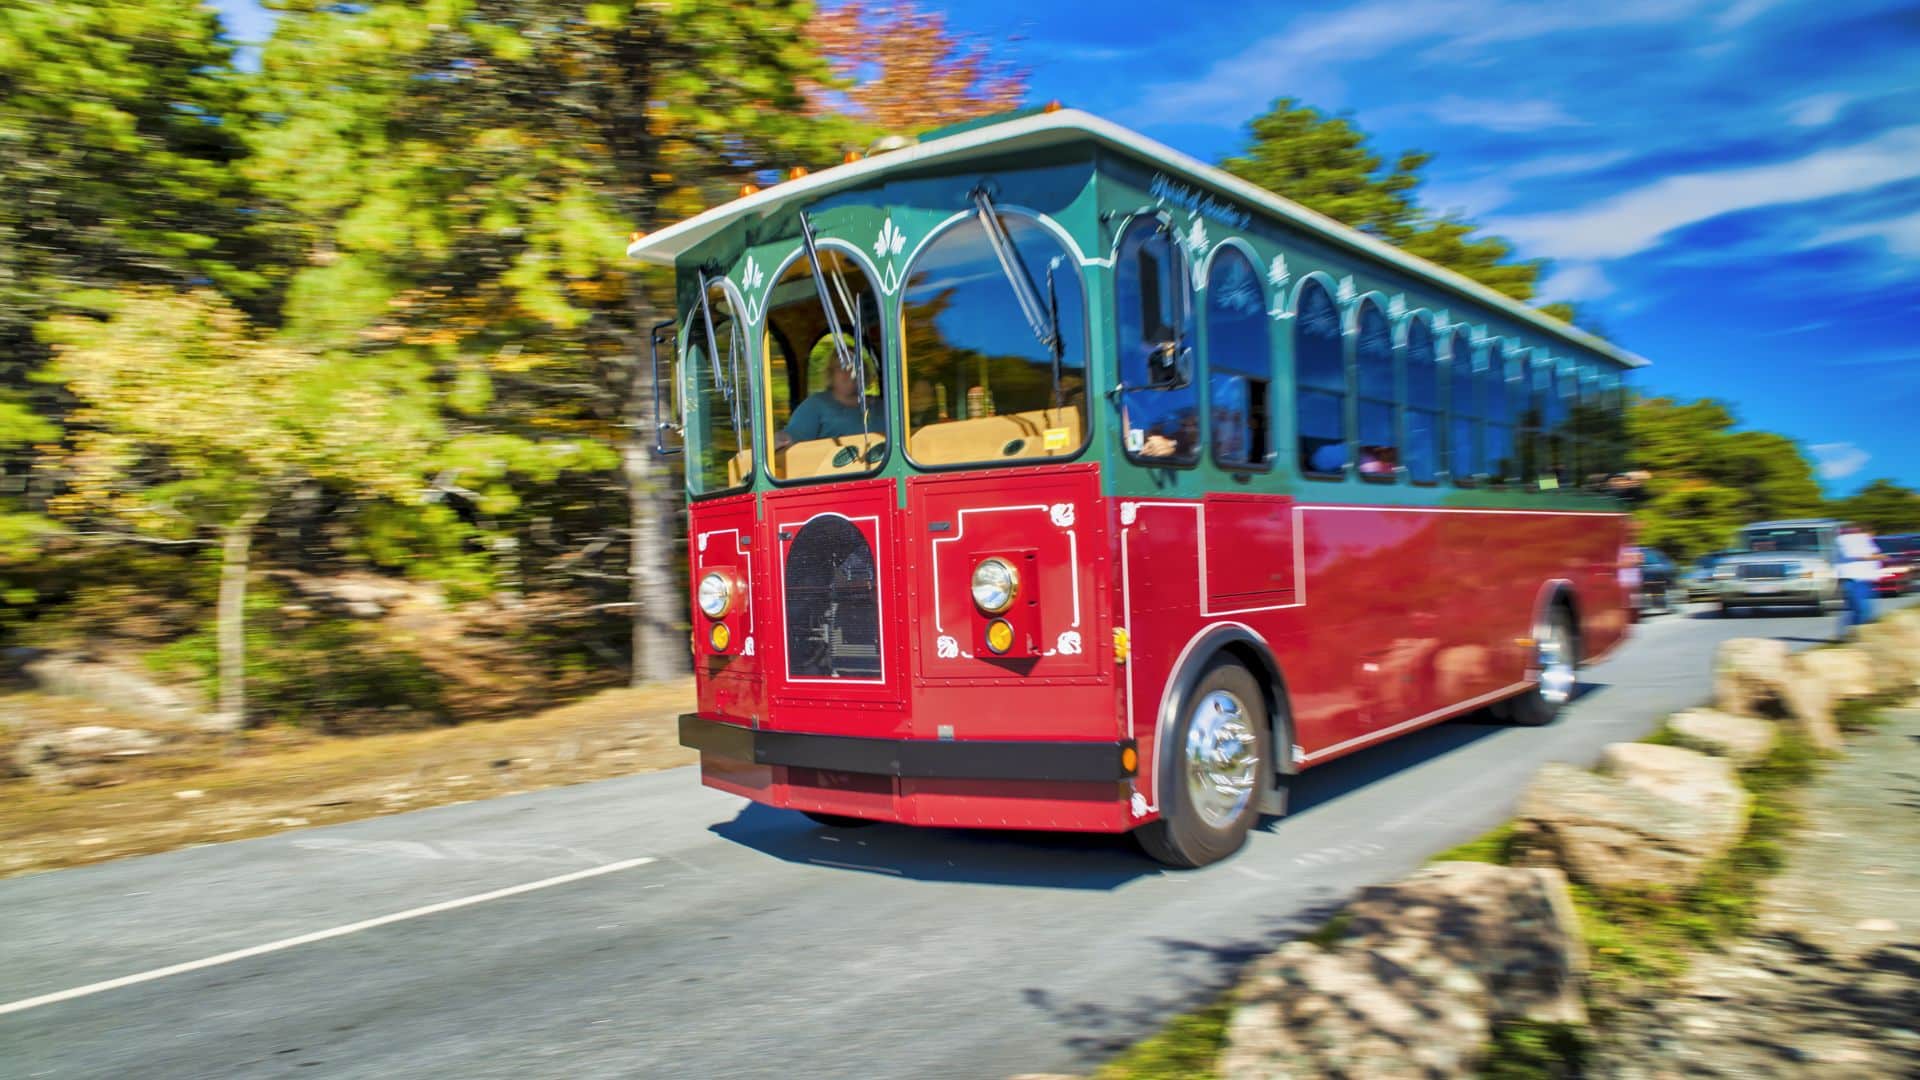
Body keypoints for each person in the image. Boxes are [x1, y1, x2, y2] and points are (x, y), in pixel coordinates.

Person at [779, 335, 873, 448]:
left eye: (855, 366)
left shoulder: (882, 407)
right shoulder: (815, 406)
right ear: (831, 374)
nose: (850, 372)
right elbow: (790, 437)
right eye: (842, 367)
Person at [1835, 523, 1883, 636]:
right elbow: (1852, 554)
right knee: (1860, 608)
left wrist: (1876, 556)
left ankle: (1853, 632)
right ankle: (1852, 632)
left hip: (1865, 580)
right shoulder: (1843, 540)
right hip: (1852, 579)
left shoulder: (1865, 541)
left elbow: (1874, 552)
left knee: (1864, 610)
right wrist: (1876, 557)